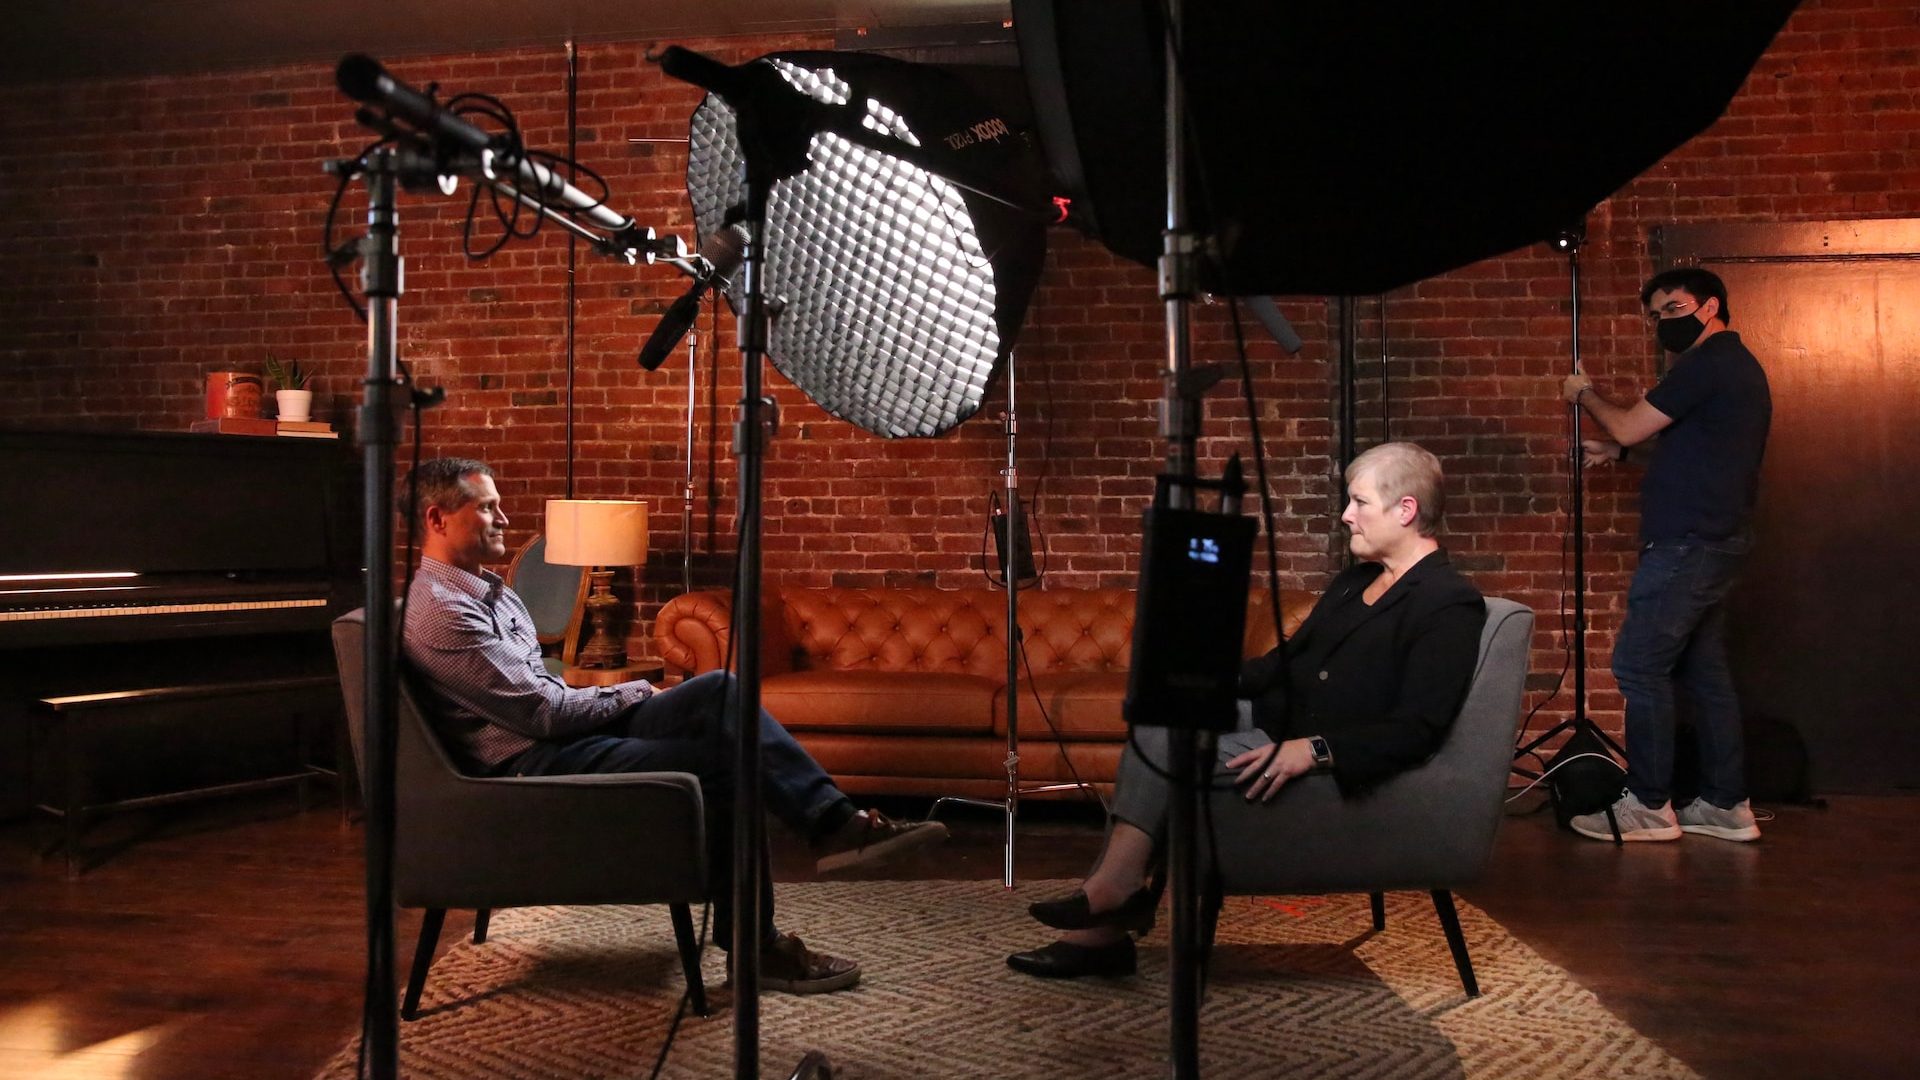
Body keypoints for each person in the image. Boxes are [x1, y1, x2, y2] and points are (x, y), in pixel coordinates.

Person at [399, 457, 949, 994]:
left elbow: (546, 698)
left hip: (561, 734)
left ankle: (833, 822)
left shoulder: (489, 590)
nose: (504, 519)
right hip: (531, 762)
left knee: (718, 691)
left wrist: (624, 695)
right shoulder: (443, 609)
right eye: (488, 508)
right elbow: (540, 714)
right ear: (436, 519)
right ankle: (761, 946)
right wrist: (639, 689)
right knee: (721, 760)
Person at [1007, 442, 1486, 979]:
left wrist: (1316, 749)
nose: (1346, 515)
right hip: (1272, 722)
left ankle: (1105, 913)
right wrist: (1205, 679)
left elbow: (1419, 727)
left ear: (1405, 510)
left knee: (1174, 748)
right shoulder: (1356, 582)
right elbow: (1288, 663)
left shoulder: (1447, 602)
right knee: (1167, 709)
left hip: (1323, 757)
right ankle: (1111, 902)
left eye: (1358, 502)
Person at [1559, 267, 1770, 843]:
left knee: (1639, 665)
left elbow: (1629, 426)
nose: (1662, 323)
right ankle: (1726, 806)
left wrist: (1585, 396)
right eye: (1655, 315)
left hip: (1688, 544)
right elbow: (1703, 456)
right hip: (1715, 539)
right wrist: (1621, 458)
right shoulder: (1732, 369)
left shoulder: (1708, 364)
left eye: (1674, 309)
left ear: (1711, 308)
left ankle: (1650, 806)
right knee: (1703, 672)